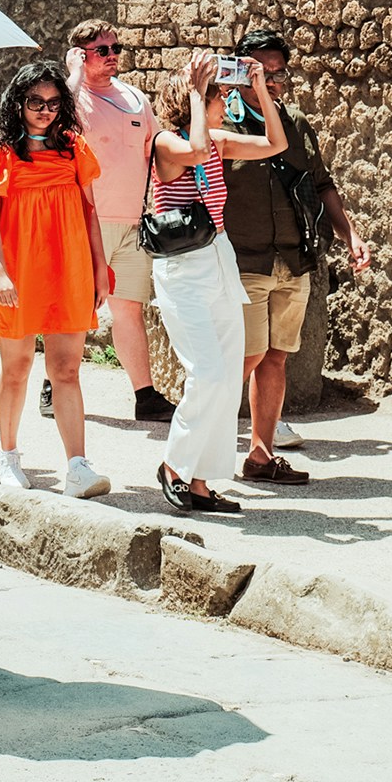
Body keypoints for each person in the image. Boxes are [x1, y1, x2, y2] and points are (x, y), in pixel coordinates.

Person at [0, 59, 112, 498]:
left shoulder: (73, 148)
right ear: (18, 103)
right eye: (34, 102)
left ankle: (77, 467)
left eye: (53, 102)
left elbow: (90, 212)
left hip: (68, 265)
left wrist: (100, 268)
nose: (44, 110)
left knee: (66, 368)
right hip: (18, 268)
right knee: (17, 367)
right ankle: (7, 456)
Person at [222, 27, 371, 482]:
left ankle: (260, 456)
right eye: (260, 71)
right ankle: (195, 456)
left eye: (278, 72)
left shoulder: (296, 123)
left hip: (293, 257)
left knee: (276, 357)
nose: (272, 80)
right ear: (239, 73)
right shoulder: (219, 123)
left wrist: (349, 234)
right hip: (243, 259)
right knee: (239, 361)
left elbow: (321, 184)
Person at [150, 53, 287, 514]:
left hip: (219, 258)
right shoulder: (167, 142)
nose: (227, 100)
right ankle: (174, 467)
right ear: (194, 101)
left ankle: (201, 481)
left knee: (227, 376)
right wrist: (193, 88)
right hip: (182, 267)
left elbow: (273, 142)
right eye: (220, 95)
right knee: (206, 374)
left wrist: (259, 87)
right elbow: (192, 153)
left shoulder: (219, 143)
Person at [63, 20, 179, 423]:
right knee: (76, 311)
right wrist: (74, 75)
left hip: (131, 221)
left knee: (129, 309)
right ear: (79, 54)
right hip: (84, 220)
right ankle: (55, 382)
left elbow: (156, 154)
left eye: (115, 49)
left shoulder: (134, 99)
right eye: (101, 50)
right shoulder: (70, 97)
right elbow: (57, 124)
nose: (112, 56)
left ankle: (145, 396)